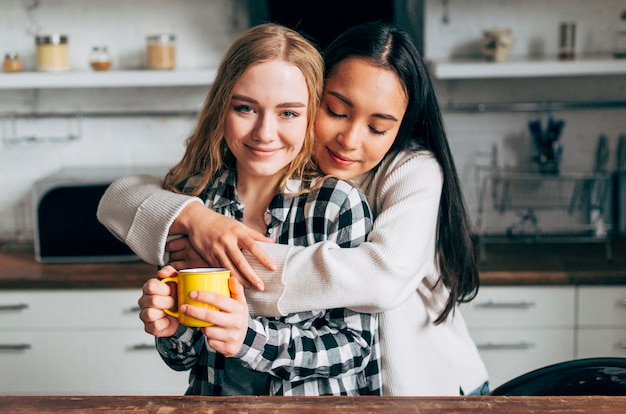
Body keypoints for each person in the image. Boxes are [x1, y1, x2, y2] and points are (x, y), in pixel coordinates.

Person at [98, 21, 489, 396]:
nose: (350, 140)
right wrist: (196, 219)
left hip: (431, 389)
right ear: (315, 95)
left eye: (378, 128)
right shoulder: (229, 187)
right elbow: (122, 196)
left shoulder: (405, 173)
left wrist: (227, 262)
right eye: (336, 111)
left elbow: (380, 281)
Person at [125, 22, 380, 396]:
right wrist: (172, 326)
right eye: (246, 108)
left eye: (288, 113)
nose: (264, 132)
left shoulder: (337, 205)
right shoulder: (193, 199)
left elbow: (354, 348)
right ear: (221, 108)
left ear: (312, 116)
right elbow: (184, 359)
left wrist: (249, 337)